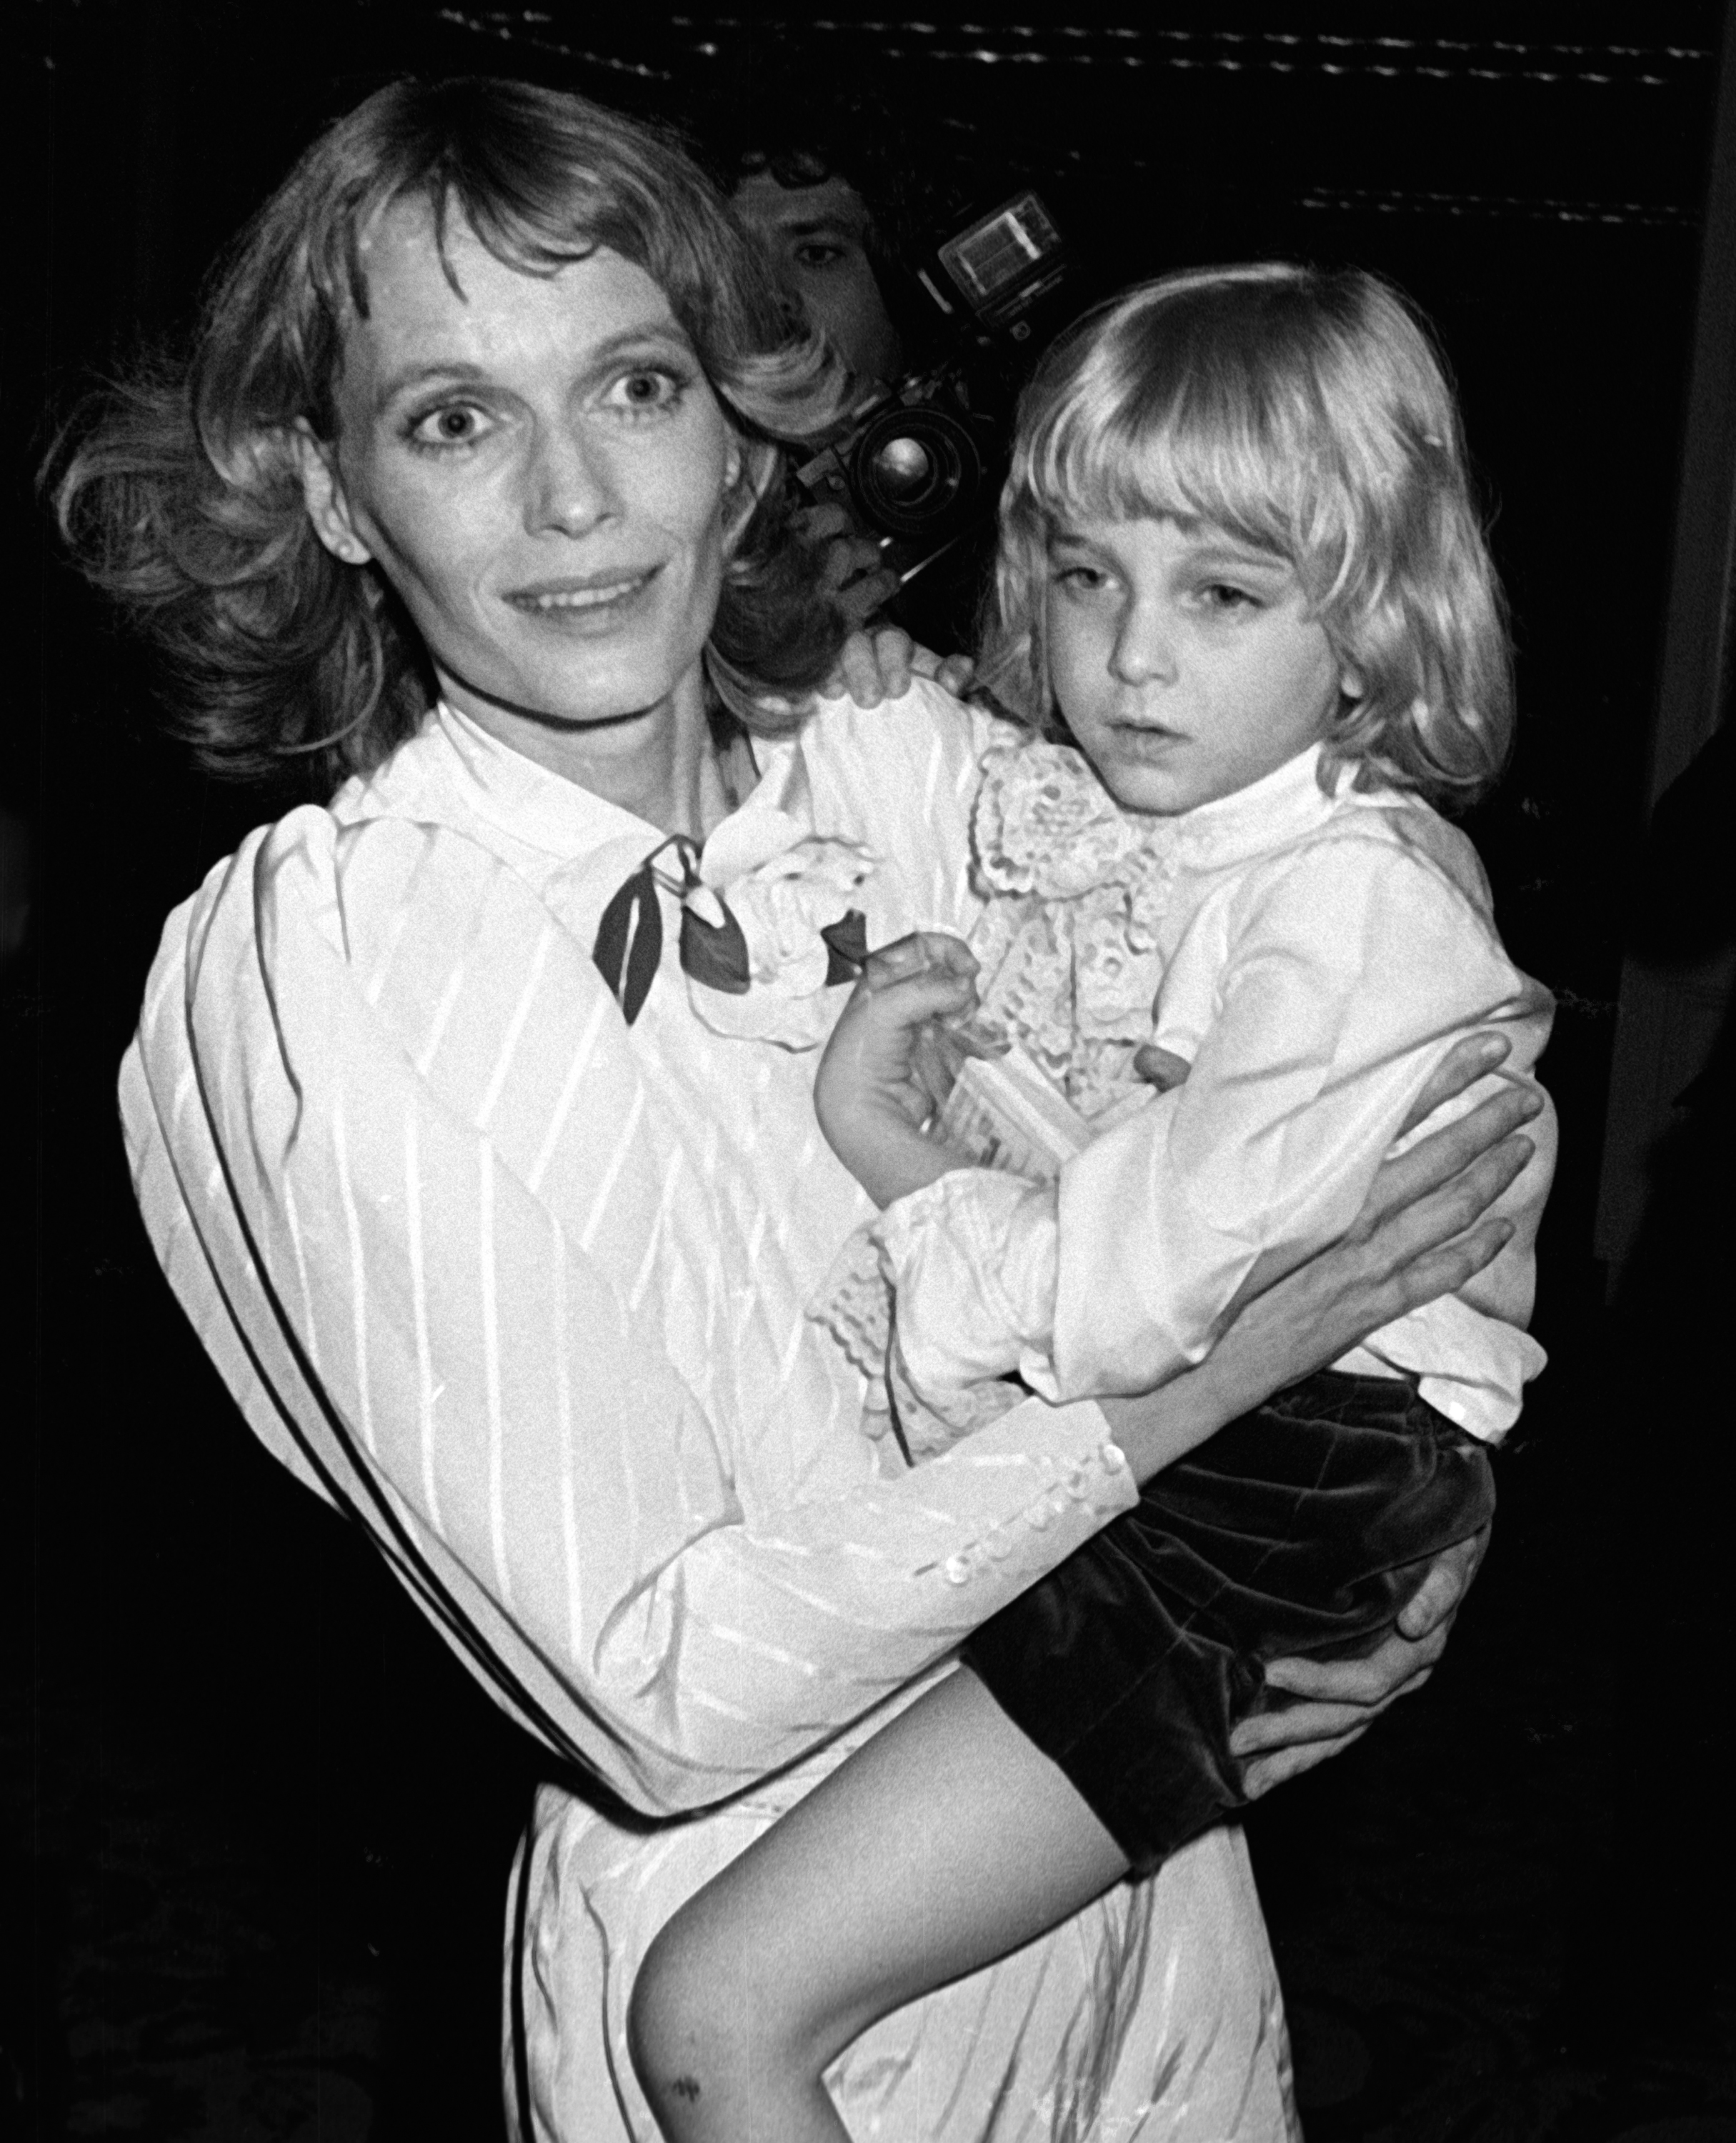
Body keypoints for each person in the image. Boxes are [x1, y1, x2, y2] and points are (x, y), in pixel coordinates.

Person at [50, 79, 1535, 2142]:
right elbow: (657, 1694)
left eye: (636, 386)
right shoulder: (336, 962)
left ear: (742, 430)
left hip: (1133, 1891)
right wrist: (1194, 1408)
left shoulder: (906, 761)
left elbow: (1323, 1061)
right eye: (457, 420)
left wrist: (1393, 1563)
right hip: (772, 1997)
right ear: (326, 492)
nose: (575, 502)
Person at [627, 264, 1556, 2143]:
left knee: (724, 2008)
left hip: (1279, 1482)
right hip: (1259, 1456)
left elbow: (1134, 1299)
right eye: (1085, 576)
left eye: (1221, 594)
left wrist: (899, 1166)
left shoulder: (1353, 902)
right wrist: (896, 696)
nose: (1132, 656)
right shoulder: (1196, 836)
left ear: (1377, 622)